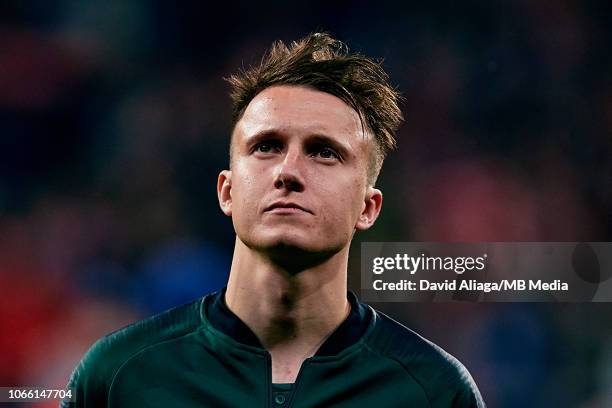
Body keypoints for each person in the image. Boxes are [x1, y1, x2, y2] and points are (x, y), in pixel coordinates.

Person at [62, 32, 485, 408]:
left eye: (324, 152)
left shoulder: (433, 391)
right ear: (227, 191)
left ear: (368, 208)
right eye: (266, 146)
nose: (288, 172)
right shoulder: (119, 378)